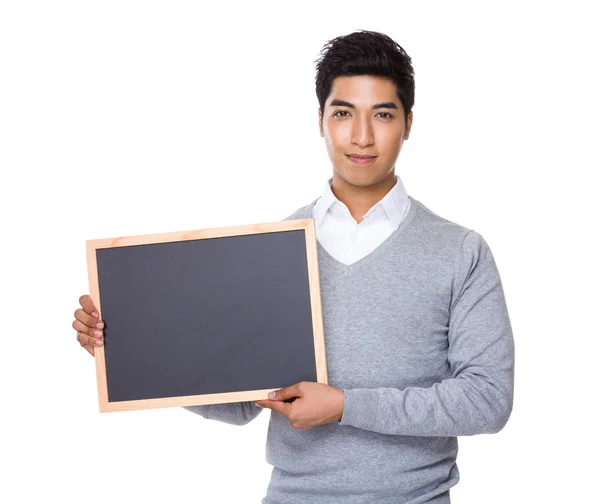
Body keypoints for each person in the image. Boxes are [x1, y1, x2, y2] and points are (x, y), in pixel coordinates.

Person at [73, 30, 514, 504]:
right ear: (321, 120)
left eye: (382, 115)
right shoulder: (270, 249)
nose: (361, 136)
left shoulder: (460, 251)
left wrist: (345, 406)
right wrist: (130, 351)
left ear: (408, 123)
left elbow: (486, 400)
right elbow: (240, 401)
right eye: (343, 113)